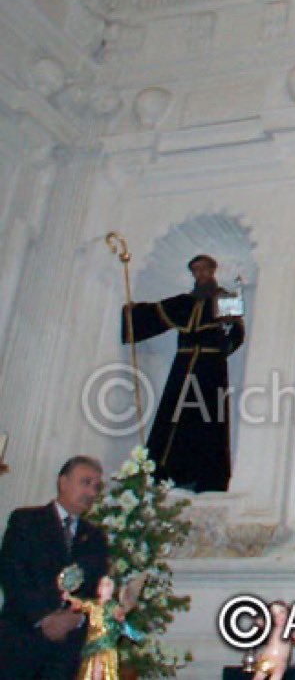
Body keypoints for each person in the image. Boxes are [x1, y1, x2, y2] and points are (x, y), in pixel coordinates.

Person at [124, 254, 245, 492]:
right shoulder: (184, 302)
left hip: (211, 370)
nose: (200, 274)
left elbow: (237, 332)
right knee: (174, 418)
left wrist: (220, 352)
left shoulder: (225, 298)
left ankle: (205, 477)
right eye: (196, 271)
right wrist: (132, 313)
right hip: (184, 365)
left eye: (204, 270)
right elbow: (155, 314)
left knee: (208, 419)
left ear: (212, 271)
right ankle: (164, 473)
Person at [0, 456, 110, 679]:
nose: (91, 493)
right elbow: (13, 574)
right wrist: (46, 618)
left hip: (66, 654)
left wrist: (75, 618)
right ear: (63, 482)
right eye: (85, 482)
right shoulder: (26, 521)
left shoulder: (96, 538)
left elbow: (98, 592)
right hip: (22, 639)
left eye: (96, 487)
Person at [61, 575, 144, 680]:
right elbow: (81, 604)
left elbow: (120, 617)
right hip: (92, 646)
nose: (101, 587)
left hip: (106, 645)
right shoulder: (93, 604)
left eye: (105, 584)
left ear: (111, 589)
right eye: (100, 584)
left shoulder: (113, 606)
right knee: (90, 673)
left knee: (103, 672)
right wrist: (69, 597)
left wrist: (121, 616)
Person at [253, 600, 295, 680]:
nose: (279, 616)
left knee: (277, 676)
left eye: (282, 612)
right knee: (259, 676)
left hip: (281, 662)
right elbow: (259, 622)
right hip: (267, 658)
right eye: (274, 615)